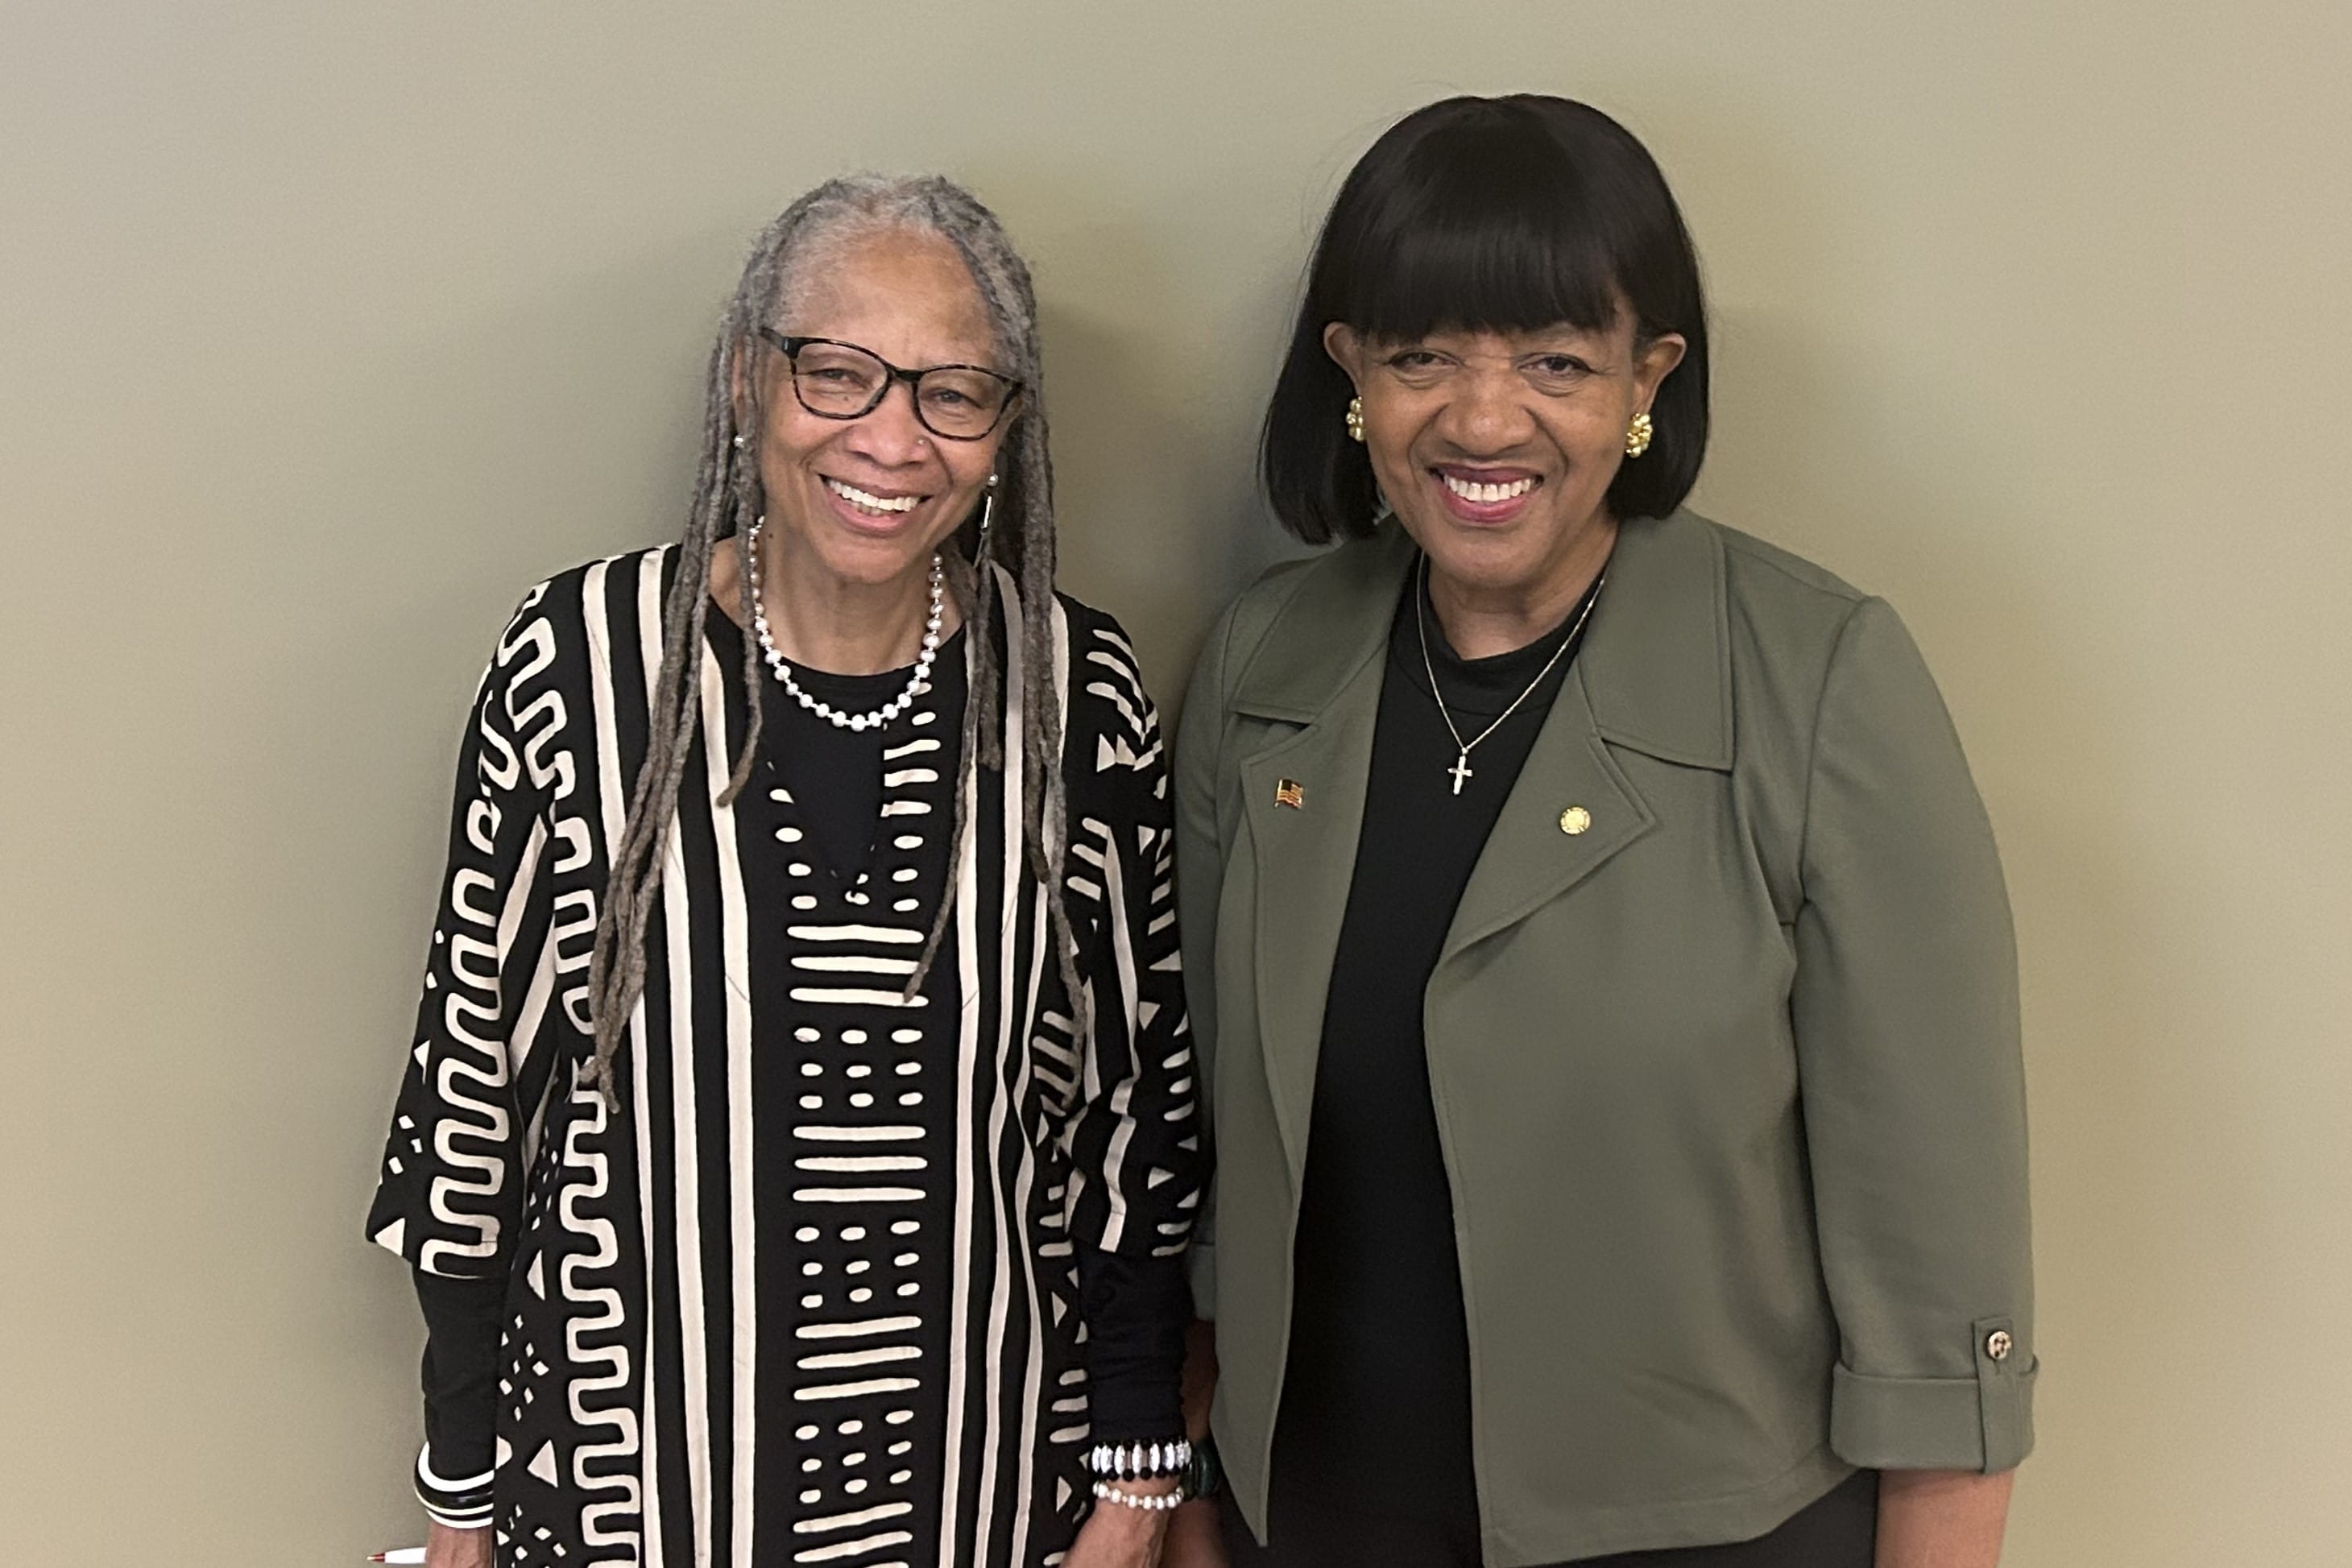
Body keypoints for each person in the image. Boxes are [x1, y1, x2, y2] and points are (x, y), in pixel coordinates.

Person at [1174, 96, 2035, 1568]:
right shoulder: (1264, 666)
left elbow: (1942, 1282)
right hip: (1304, 1522)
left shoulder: (1817, 678)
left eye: (1557, 361)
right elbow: (1207, 1157)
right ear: (1351, 375)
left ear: (1650, 379)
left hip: (1707, 1536)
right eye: (1422, 356)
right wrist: (1195, 1500)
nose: (1483, 419)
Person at [366, 174, 1204, 1568]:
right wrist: (460, 1490)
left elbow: (1134, 1121)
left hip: (989, 1489)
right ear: (751, 380)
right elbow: (471, 1098)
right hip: (635, 1496)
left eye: (953, 392)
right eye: (838, 373)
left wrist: (1135, 1479)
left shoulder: (1073, 690)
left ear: (1004, 431)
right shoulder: (579, 667)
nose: (893, 438)